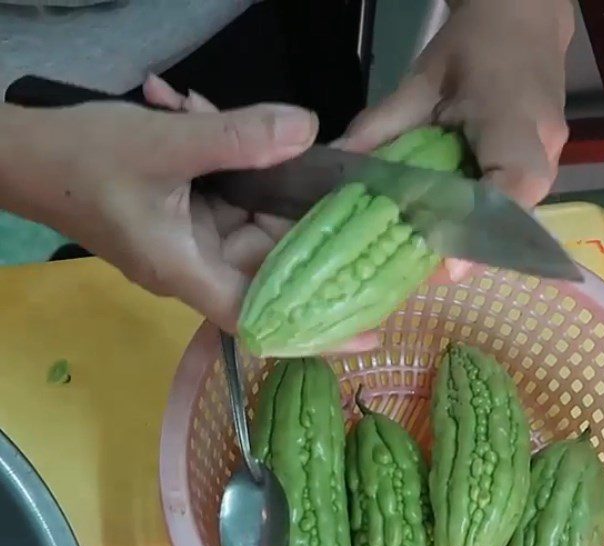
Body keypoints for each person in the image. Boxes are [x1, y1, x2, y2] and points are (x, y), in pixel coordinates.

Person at [0, 0, 573, 349]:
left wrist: (519, 12)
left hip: (267, 18)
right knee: (108, 266)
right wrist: (20, 158)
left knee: (317, 139)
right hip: (40, 55)